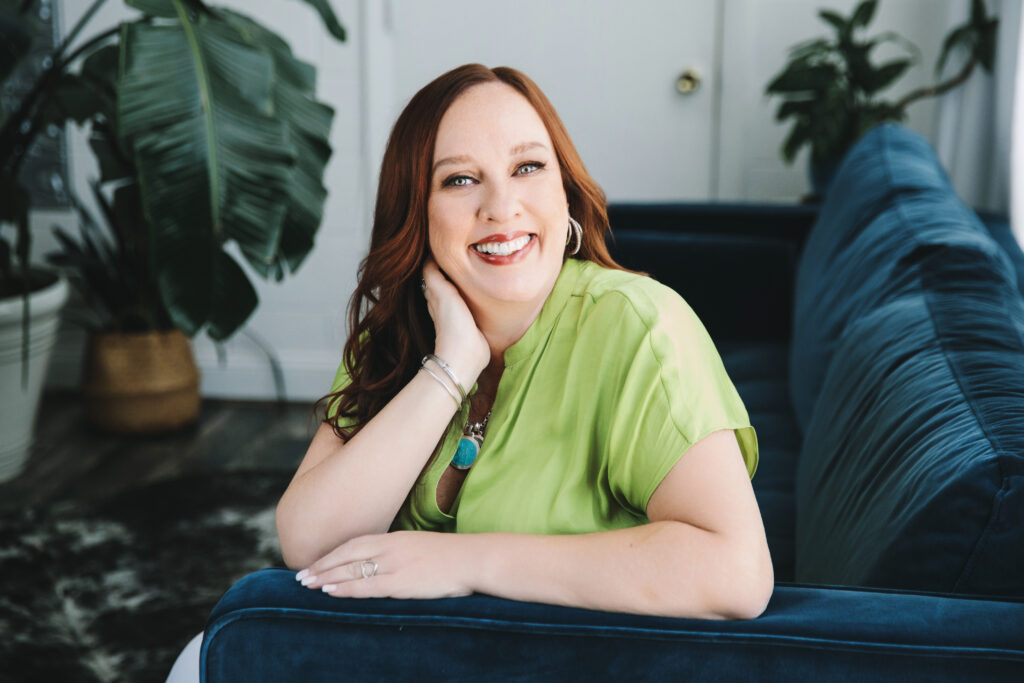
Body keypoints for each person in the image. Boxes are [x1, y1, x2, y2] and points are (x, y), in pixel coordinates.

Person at [167, 62, 771, 681]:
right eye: (460, 180)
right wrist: (452, 365)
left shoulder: (638, 326)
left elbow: (736, 571)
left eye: (528, 167)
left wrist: (464, 562)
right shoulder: (400, 331)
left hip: (568, 663)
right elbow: (312, 543)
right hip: (410, 659)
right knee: (198, 661)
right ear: (417, 213)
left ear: (564, 190)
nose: (501, 207)